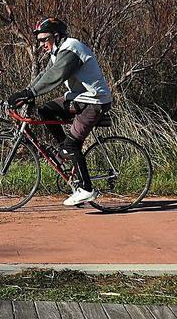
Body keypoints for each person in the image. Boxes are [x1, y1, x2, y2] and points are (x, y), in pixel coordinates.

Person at [8, 17, 113, 206]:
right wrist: (26, 94)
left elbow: (55, 76)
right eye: (39, 41)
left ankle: (86, 189)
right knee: (46, 111)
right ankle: (65, 151)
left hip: (94, 101)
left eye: (44, 40)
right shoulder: (58, 51)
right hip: (79, 98)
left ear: (56, 36)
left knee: (71, 146)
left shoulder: (71, 49)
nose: (41, 45)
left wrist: (30, 93)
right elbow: (44, 75)